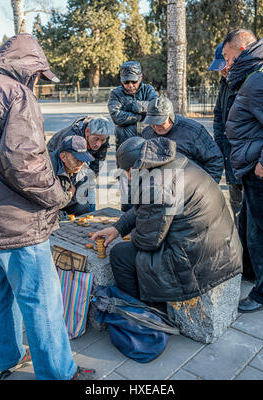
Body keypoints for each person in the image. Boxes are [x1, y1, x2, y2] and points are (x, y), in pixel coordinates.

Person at [0, 34, 95, 380]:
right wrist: (59, 197)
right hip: (17, 223)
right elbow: (25, 165)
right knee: (41, 302)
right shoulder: (15, 94)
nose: (39, 84)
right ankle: (59, 373)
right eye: (38, 77)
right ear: (28, 67)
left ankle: (3, 361)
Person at [92, 137, 242, 303]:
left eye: (125, 173)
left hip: (202, 260)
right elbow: (148, 208)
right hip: (221, 246)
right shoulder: (169, 161)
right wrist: (119, 228)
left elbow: (148, 241)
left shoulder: (156, 186)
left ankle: (140, 310)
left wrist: (134, 233)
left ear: (133, 168)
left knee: (120, 254)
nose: (126, 178)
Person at [222, 29, 263, 312]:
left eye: (227, 55)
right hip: (253, 167)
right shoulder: (255, 74)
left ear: (242, 47)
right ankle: (250, 273)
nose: (226, 62)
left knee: (262, 234)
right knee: (248, 224)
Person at [107, 60, 158, 211]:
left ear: (140, 77)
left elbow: (155, 108)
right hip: (124, 149)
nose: (130, 85)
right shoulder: (115, 93)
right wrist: (140, 116)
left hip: (146, 148)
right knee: (126, 193)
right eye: (126, 82)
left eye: (133, 81)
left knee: (148, 190)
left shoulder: (148, 91)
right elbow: (117, 117)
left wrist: (134, 106)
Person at [142, 96, 224, 184]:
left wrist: (207, 186)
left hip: (190, 185)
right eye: (152, 122)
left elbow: (215, 159)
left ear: (171, 116)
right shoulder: (147, 133)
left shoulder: (193, 132)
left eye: (159, 121)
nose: (155, 126)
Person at [48, 116, 113, 212]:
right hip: (56, 163)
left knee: (87, 188)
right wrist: (68, 193)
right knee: (63, 191)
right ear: (87, 132)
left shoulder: (102, 138)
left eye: (102, 140)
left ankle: (90, 213)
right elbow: (62, 165)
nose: (98, 144)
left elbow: (97, 162)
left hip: (79, 158)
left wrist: (91, 179)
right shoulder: (70, 138)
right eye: (96, 139)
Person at [208, 43, 243, 225]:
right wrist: (220, 144)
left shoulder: (248, 83)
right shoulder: (224, 84)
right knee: (236, 203)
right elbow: (218, 116)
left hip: (247, 158)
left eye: (225, 66)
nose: (222, 72)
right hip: (230, 155)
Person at [49, 135, 95, 217]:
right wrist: (69, 194)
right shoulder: (48, 167)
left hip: (66, 202)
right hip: (50, 206)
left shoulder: (83, 168)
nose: (81, 163)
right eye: (77, 159)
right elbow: (48, 201)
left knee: (83, 207)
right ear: (63, 157)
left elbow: (79, 197)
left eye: (83, 158)